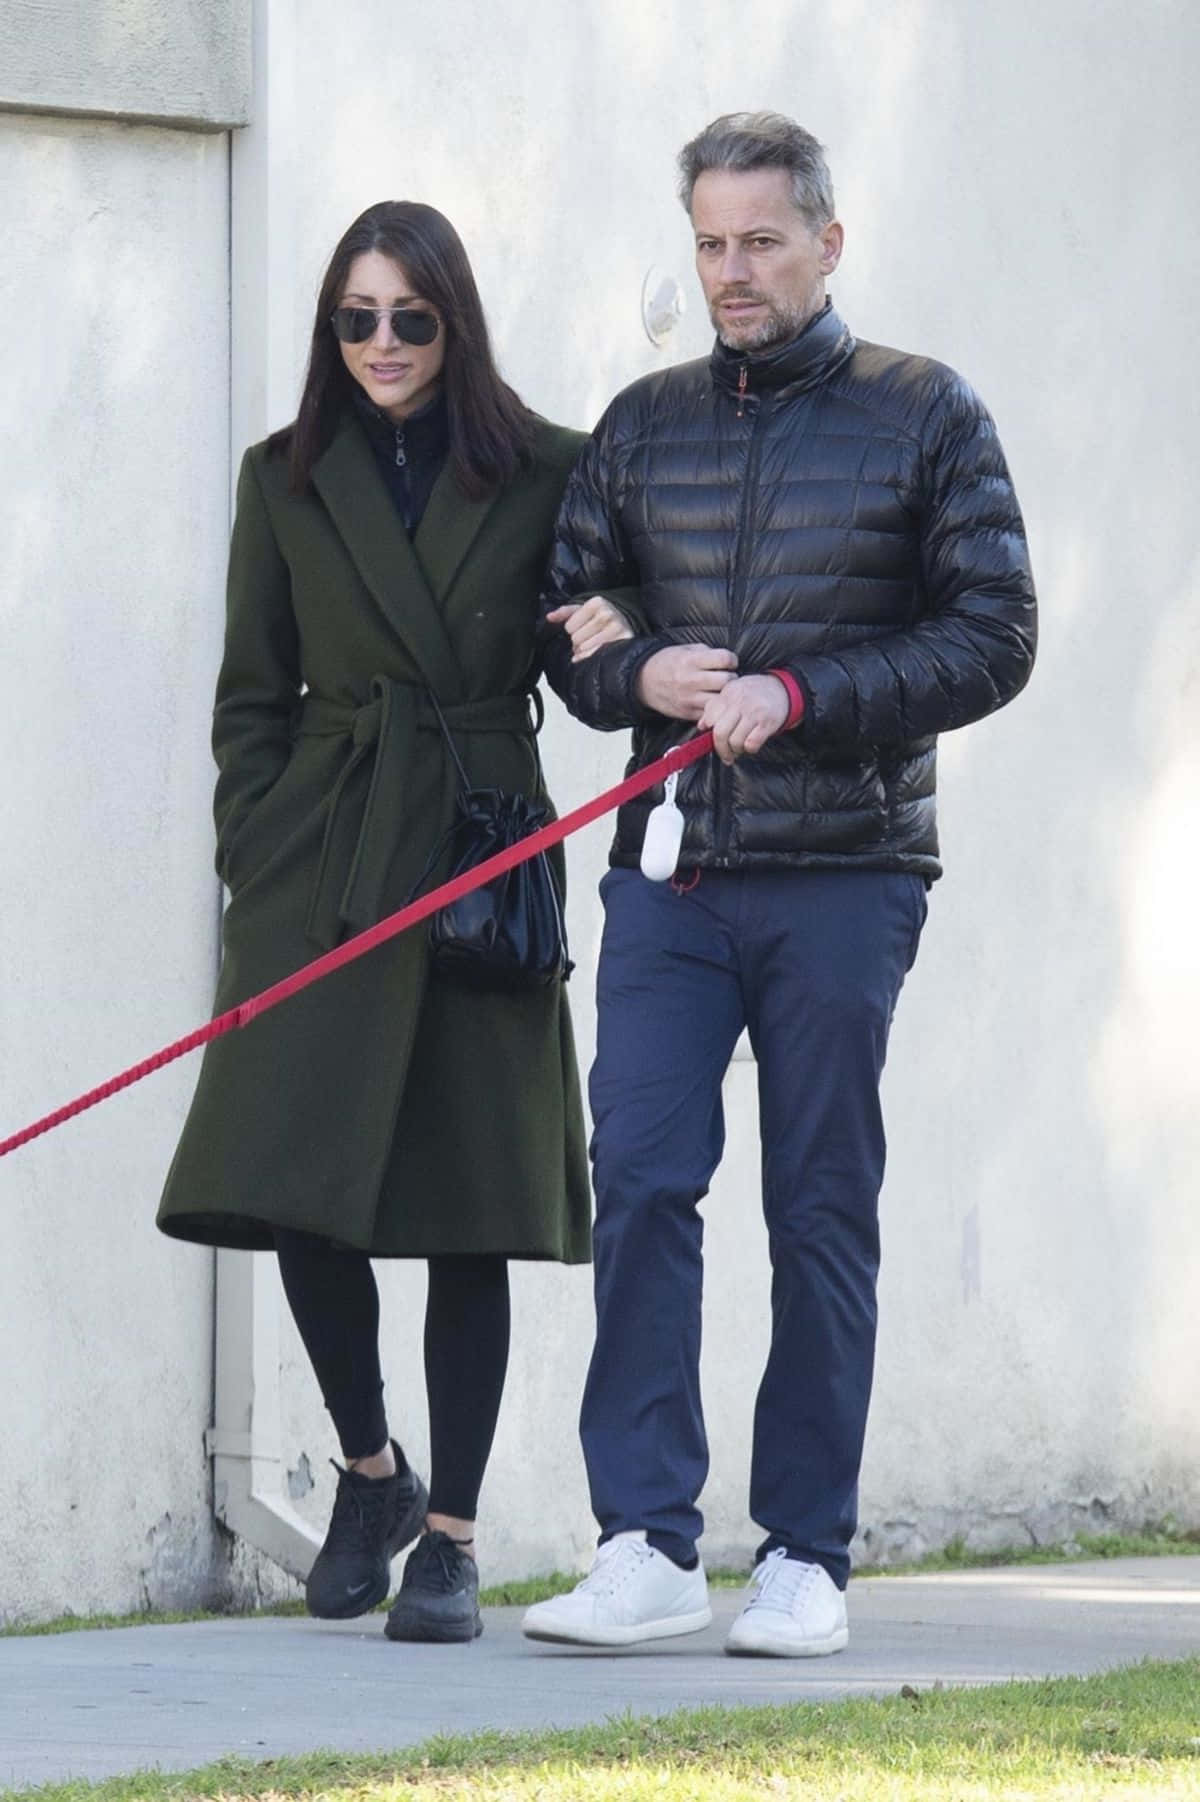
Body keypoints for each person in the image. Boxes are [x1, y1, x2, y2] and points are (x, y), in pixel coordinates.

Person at [522, 113, 1037, 1657]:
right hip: (669, 882)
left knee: (818, 1205)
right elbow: (567, 608)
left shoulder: (926, 414)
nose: (732, 271)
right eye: (710, 243)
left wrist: (801, 695)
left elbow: (995, 632)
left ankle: (805, 1553)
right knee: (646, 1184)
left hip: (846, 873)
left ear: (828, 239)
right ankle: (646, 1542)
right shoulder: (643, 420)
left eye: (760, 240)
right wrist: (638, 671)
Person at [157, 200, 630, 1644]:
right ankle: (370, 1466)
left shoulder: (550, 467)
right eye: (354, 319)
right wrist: (259, 854)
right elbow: (253, 694)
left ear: (455, 324)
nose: (381, 345)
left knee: (467, 1203)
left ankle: (452, 1535)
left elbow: (599, 651)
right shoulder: (283, 479)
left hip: (481, 853)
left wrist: (630, 649)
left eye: (409, 319)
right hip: (323, 864)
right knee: (301, 1178)